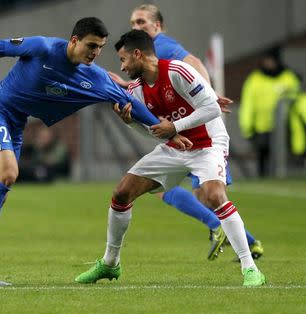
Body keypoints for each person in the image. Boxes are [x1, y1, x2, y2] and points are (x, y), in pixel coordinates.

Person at [0, 17, 192, 286]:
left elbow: (130, 102)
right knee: (8, 174)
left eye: (100, 47)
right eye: (91, 45)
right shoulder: (43, 48)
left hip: (16, 124)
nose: (95, 52)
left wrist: (165, 129)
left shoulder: (95, 77)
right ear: (74, 40)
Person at [75, 30, 266, 286]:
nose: (122, 67)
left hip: (208, 144)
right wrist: (130, 122)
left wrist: (174, 128)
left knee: (214, 195)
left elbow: (211, 108)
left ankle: (250, 268)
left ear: (138, 54)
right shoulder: (137, 90)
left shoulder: (177, 71)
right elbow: (154, 132)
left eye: (123, 59)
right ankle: (110, 264)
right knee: (121, 193)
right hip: (174, 149)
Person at [109, 3, 263, 260]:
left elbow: (193, 62)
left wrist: (208, 94)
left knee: (207, 195)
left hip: (200, 131)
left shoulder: (161, 45)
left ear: (157, 26)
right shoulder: (145, 54)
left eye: (142, 22)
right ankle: (245, 240)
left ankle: (237, 239)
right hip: (181, 132)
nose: (136, 27)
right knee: (197, 194)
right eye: (133, 23)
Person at [239, 46, 301, 177]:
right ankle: (263, 177)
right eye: (266, 60)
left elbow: (297, 100)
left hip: (285, 128)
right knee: (263, 156)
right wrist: (247, 128)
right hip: (261, 128)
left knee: (282, 156)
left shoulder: (289, 77)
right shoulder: (254, 79)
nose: (268, 63)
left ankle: (283, 177)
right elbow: (248, 105)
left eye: (270, 60)